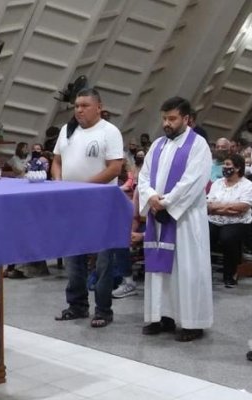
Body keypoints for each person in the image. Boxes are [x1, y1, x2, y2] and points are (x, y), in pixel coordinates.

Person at [139, 96, 212, 342]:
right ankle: (162, 316)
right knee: (161, 270)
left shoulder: (198, 144)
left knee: (186, 269)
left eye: (172, 119)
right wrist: (151, 198)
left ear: (186, 118)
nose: (166, 124)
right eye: (164, 118)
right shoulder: (158, 144)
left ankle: (192, 322)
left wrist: (167, 203)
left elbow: (193, 181)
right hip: (158, 215)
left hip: (184, 219)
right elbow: (143, 176)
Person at [52, 88, 123, 328]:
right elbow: (57, 161)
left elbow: (114, 168)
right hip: (72, 202)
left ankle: (103, 309)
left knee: (103, 261)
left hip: (101, 203)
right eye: (76, 106)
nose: (79, 110)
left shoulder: (109, 131)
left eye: (84, 105)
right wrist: (60, 183)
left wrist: (83, 187)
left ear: (98, 107)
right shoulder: (67, 130)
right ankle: (77, 305)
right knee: (74, 257)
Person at [207, 154, 252, 288]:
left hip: (238, 222)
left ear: (237, 168)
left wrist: (218, 207)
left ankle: (230, 274)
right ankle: (203, 273)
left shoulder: (247, 185)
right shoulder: (217, 183)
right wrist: (227, 208)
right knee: (202, 235)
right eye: (224, 165)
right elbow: (208, 204)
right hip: (214, 219)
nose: (224, 168)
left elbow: (242, 207)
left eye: (227, 165)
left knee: (227, 237)